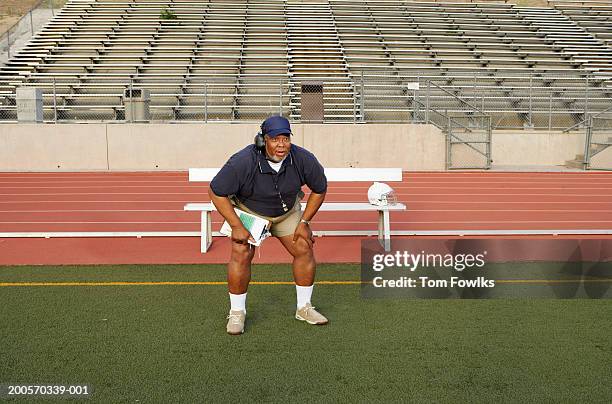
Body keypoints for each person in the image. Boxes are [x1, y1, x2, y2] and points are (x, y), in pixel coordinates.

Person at [208, 115, 329, 335]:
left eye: (286, 138)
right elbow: (216, 192)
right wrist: (236, 225)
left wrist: (304, 222)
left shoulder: (303, 159)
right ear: (263, 140)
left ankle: (304, 307)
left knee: (303, 247)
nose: (281, 145)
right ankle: (237, 312)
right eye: (275, 139)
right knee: (241, 251)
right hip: (250, 211)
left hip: (286, 212)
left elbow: (320, 189)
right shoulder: (243, 161)